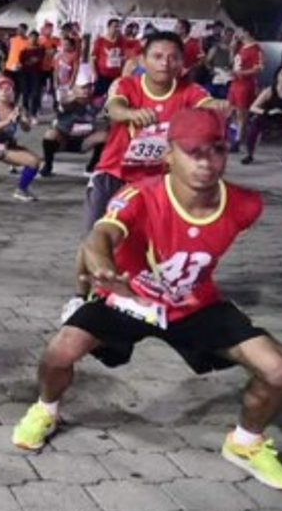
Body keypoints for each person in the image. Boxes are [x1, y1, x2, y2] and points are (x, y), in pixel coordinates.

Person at [12, 108, 282, 491]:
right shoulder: (140, 194)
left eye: (216, 150)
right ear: (168, 155)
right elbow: (101, 235)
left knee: (279, 370)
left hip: (194, 304)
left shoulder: (246, 205)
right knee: (58, 352)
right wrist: (101, 266)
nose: (206, 162)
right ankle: (45, 410)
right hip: (130, 296)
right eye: (193, 151)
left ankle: (244, 443)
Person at [63, 31, 221, 320]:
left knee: (149, 245)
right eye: (158, 56)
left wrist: (218, 107)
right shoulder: (127, 84)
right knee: (93, 238)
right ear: (142, 60)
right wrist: (130, 113)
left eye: (173, 57)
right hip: (112, 176)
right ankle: (79, 297)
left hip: (153, 185)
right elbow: (114, 107)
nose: (165, 63)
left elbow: (206, 104)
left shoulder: (188, 91)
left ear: (182, 63)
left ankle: (139, 296)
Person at [242, 64, 282, 167]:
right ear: (277, 76)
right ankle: (250, 155)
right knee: (253, 131)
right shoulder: (269, 91)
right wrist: (267, 112)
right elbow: (252, 107)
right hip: (266, 117)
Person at [41, 82, 107, 177]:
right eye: (83, 88)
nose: (86, 91)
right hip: (63, 140)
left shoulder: (96, 102)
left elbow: (108, 108)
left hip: (84, 141)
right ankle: (47, 166)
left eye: (88, 88)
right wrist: (74, 97)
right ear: (74, 89)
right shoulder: (67, 102)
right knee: (50, 134)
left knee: (105, 136)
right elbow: (64, 102)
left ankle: (92, 167)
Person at [229, 28, 264, 152]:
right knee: (232, 111)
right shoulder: (241, 47)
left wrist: (242, 73)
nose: (237, 33)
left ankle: (238, 141)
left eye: (239, 31)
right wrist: (232, 48)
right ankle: (239, 134)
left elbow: (259, 68)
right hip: (235, 83)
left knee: (241, 113)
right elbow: (233, 62)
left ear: (247, 32)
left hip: (245, 85)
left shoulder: (256, 49)